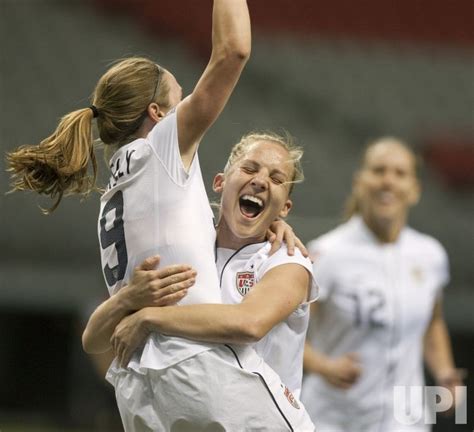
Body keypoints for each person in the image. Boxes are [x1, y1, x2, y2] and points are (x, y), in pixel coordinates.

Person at [7, 2, 314, 430]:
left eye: (275, 180)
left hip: (139, 386)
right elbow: (233, 51)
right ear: (157, 113)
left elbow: (96, 338)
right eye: (178, 94)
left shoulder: (114, 192)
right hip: (204, 374)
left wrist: (135, 305)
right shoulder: (162, 147)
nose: (188, 102)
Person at [85, 132, 318, 403]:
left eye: (277, 179)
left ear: (284, 207)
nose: (260, 181)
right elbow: (93, 341)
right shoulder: (185, 249)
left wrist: (148, 318)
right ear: (220, 182)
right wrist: (128, 298)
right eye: (249, 168)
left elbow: (250, 323)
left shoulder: (288, 260)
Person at [300, 137, 463, 432]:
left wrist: (444, 371)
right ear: (359, 182)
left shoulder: (430, 254)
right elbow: (288, 333)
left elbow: (433, 321)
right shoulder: (328, 253)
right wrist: (323, 366)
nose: (388, 181)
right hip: (334, 417)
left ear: (415, 189)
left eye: (400, 173)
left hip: (404, 419)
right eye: (378, 170)